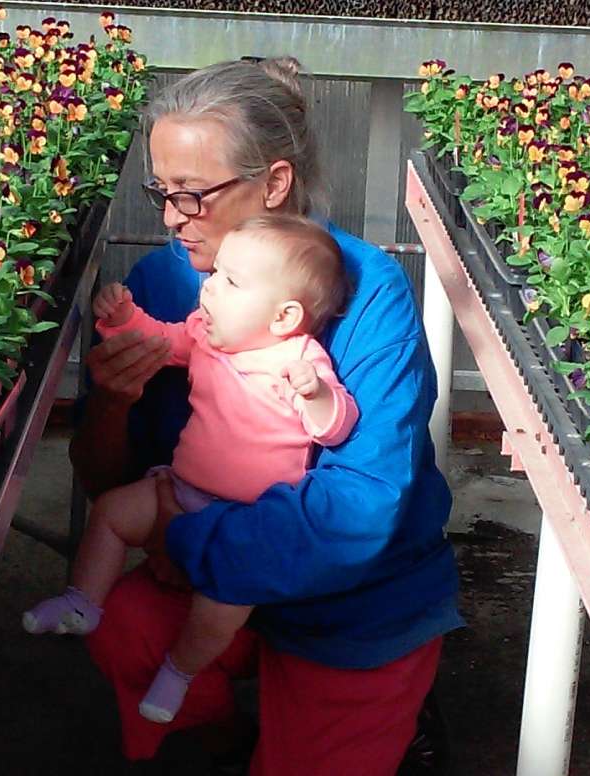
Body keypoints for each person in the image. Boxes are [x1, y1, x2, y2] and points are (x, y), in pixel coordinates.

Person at [73, 56, 462, 775]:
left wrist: (191, 541)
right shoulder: (161, 283)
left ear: (274, 184)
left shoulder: (366, 290)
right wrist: (116, 405)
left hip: (350, 598)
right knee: (125, 628)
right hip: (210, 575)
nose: (169, 217)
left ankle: (390, 713)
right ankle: (228, 741)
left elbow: (357, 511)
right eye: (162, 190)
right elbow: (106, 481)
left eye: (192, 194)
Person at [25, 214, 359, 727]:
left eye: (230, 282)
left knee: (220, 604)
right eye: (215, 274)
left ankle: (179, 673)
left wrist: (314, 395)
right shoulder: (204, 334)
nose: (209, 288)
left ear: (283, 316)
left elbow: (334, 427)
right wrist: (123, 319)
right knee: (112, 513)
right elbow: (159, 341)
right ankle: (83, 600)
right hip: (181, 489)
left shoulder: (298, 358)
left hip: (247, 520)